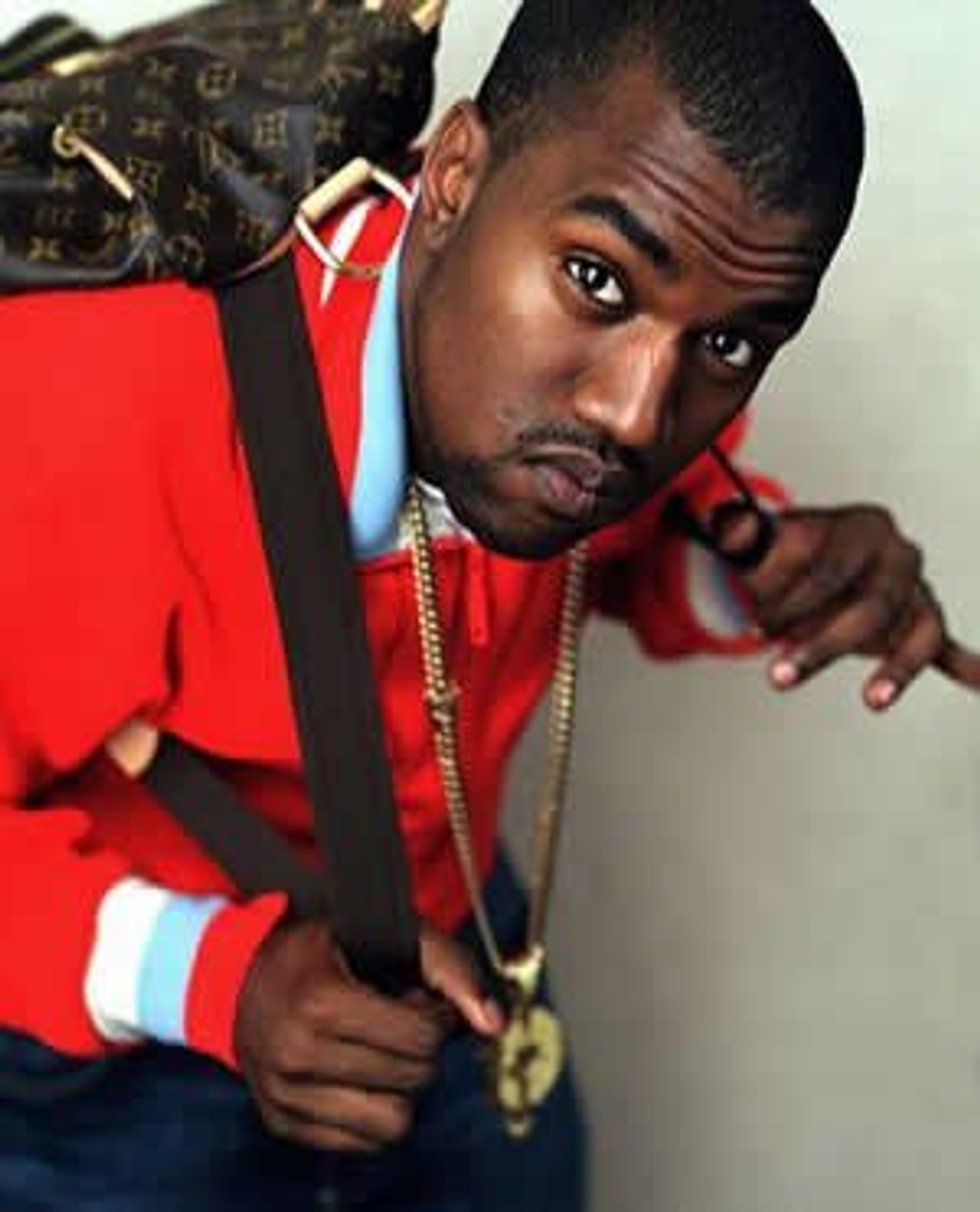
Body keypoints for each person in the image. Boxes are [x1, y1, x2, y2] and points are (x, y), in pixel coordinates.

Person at [0, 1, 977, 1209]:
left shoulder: (582, 386)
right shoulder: (97, 402)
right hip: (123, 1056)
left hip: (456, 950)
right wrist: (203, 978)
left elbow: (611, 553)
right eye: (594, 279)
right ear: (454, 174)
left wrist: (768, 577)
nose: (633, 415)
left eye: (731, 346)